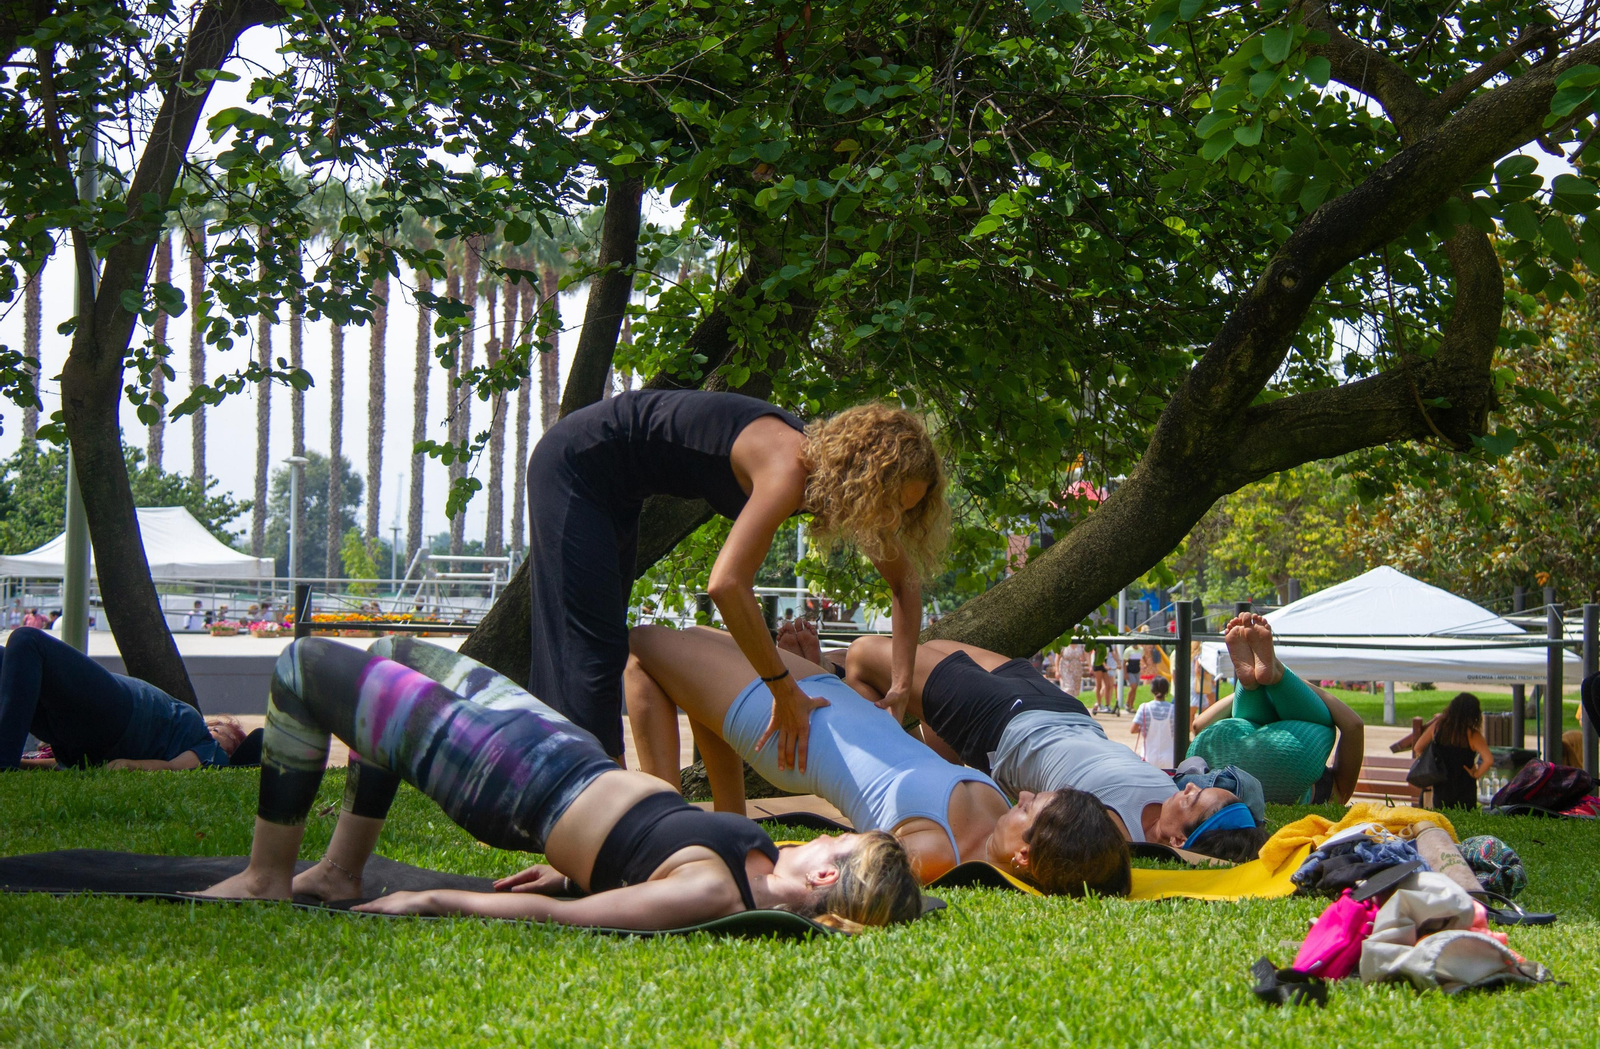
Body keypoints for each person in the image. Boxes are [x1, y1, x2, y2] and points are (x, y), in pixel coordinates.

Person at [196, 637, 923, 932]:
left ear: (829, 869)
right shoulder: (756, 858)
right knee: (391, 654)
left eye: (840, 837)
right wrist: (575, 864)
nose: (829, 828)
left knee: (302, 668)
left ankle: (267, 877)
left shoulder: (715, 892)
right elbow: (633, 855)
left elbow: (581, 918)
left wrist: (434, 898)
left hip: (512, 778)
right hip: (562, 753)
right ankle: (337, 871)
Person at [525, 391, 948, 770]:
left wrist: (900, 688)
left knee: (601, 646)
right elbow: (725, 584)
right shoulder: (788, 468)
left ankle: (579, 794)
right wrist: (783, 690)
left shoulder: (826, 477)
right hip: (575, 463)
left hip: (615, 487)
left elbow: (904, 584)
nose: (891, 519)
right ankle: (593, 810)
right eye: (890, 503)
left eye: (904, 512)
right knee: (590, 657)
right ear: (867, 477)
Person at [625, 625, 1129, 895]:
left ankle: (658, 844)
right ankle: (721, 829)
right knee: (696, 638)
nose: (1021, 795)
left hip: (794, 728)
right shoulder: (996, 814)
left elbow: (851, 872)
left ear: (1024, 856)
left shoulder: (933, 853)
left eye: (1030, 810)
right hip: (823, 697)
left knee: (641, 650)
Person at [843, 632, 1267, 862]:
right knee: (936, 644)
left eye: (1193, 799)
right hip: (1064, 708)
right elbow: (1238, 841)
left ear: (1177, 840)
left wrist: (1202, 863)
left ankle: (868, 783)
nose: (1189, 786)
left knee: (864, 656)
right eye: (1198, 787)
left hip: (1000, 722)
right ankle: (924, 788)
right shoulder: (1177, 800)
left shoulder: (1112, 833)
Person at [0, 628, 243, 771]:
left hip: (122, 714)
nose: (214, 728)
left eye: (222, 732)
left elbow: (176, 766)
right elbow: (65, 764)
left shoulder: (210, 750)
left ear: (229, 751)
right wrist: (24, 763)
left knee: (27, 640)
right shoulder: (194, 731)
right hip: (80, 737)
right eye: (216, 725)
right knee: (9, 658)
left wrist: (131, 764)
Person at [1187, 614, 1366, 806]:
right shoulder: (1338, 791)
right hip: (1288, 760)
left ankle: (1254, 686)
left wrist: (1260, 684)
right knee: (1322, 724)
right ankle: (1268, 678)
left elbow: (1198, 726)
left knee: (1308, 721)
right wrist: (1287, 680)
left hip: (1220, 751)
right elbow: (1353, 725)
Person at [1411, 693, 1493, 810]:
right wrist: (1476, 774)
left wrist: (1431, 764)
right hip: (1465, 786)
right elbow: (1488, 760)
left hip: (1440, 782)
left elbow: (1418, 747)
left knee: (1441, 819)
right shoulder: (1473, 735)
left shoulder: (1438, 727)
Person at [1131, 677, 1175, 768]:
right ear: (1166, 691)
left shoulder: (1144, 708)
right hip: (1169, 757)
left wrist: (1142, 728)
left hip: (1149, 756)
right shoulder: (1173, 709)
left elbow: (1133, 729)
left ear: (1152, 690)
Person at [1123, 635, 1143, 712]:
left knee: (1135, 689)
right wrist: (1125, 674)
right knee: (1133, 687)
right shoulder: (1128, 650)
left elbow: (1142, 658)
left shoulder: (1141, 650)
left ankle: (1131, 705)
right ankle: (1127, 703)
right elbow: (1124, 663)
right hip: (1130, 671)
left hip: (1137, 671)